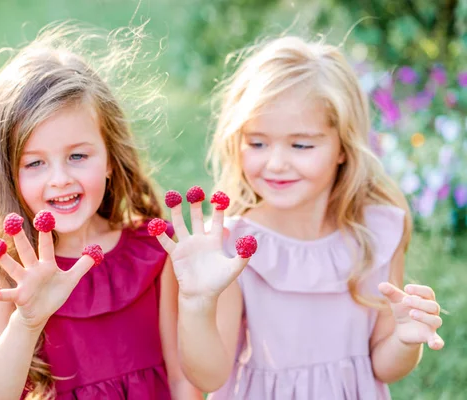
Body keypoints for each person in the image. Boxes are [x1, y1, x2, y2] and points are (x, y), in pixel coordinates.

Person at [154, 36, 444, 399]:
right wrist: (197, 305)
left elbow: (384, 366)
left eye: (301, 145)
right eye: (257, 143)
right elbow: (209, 376)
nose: (275, 163)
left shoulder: (377, 233)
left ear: (343, 147)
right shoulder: (230, 247)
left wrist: (406, 338)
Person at [0, 24, 201, 400]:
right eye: (35, 163)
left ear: (110, 158)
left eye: (78, 156)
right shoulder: (5, 276)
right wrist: (27, 323)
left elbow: (182, 382)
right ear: (8, 175)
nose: (60, 179)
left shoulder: (154, 253)